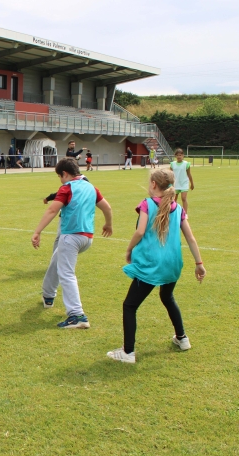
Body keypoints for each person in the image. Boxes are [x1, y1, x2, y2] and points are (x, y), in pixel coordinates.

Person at [107, 169, 206, 364]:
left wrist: (129, 249)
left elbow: (140, 231)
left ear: (153, 184)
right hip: (173, 265)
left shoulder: (147, 204)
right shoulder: (178, 208)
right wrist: (199, 264)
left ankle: (128, 352)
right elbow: (191, 238)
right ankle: (182, 338)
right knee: (167, 297)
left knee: (129, 305)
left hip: (152, 265)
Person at [31, 159, 113, 329]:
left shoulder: (67, 187)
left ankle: (77, 315)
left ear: (65, 174)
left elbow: (52, 210)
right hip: (87, 238)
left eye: (60, 176)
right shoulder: (92, 188)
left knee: (66, 274)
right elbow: (107, 208)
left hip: (71, 237)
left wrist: (37, 231)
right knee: (57, 259)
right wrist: (108, 224)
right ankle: (48, 294)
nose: (60, 180)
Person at [169, 148, 194, 213]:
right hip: (175, 184)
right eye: (177, 155)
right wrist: (169, 184)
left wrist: (192, 183)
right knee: (174, 199)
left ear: (183, 156)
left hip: (184, 183)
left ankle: (185, 213)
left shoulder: (186, 164)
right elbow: (170, 174)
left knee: (183, 198)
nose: (179, 157)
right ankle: (173, 212)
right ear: (175, 156)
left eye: (180, 155)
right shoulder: (172, 164)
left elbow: (189, 174)